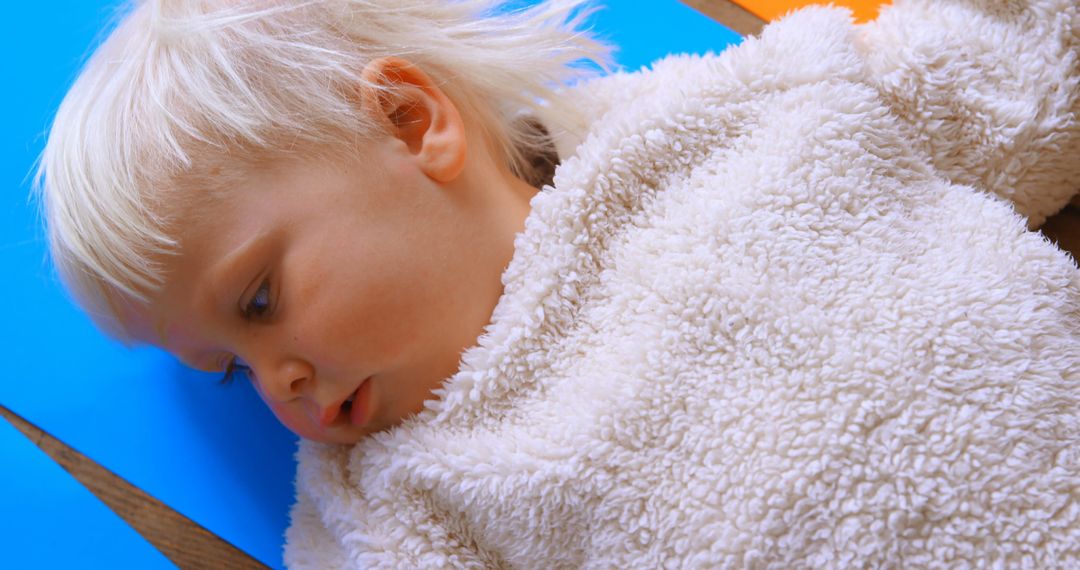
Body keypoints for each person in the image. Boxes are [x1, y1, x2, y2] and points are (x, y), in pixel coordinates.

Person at [37, 0, 1080, 567]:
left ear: (410, 123)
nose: (281, 388)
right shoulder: (397, 499)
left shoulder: (730, 119)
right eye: (229, 371)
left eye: (260, 300)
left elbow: (1015, 71)